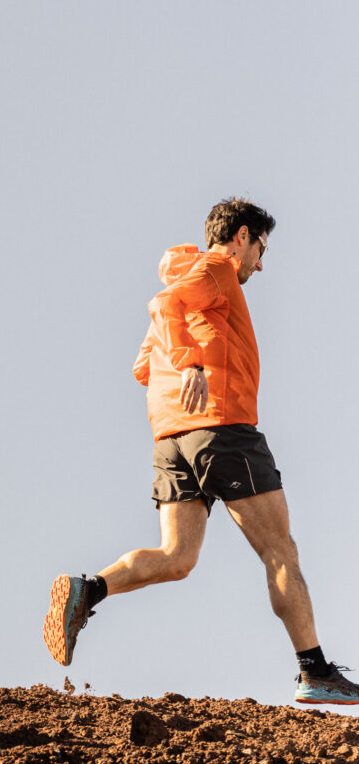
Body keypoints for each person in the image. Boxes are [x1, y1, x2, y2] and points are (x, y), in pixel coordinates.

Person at [45, 198, 359, 704]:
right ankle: (314, 671)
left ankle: (88, 591)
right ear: (241, 237)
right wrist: (195, 364)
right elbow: (163, 309)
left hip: (172, 438)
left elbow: (143, 367)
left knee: (177, 556)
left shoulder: (187, 280)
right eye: (261, 247)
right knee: (280, 549)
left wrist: (187, 360)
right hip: (223, 428)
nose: (262, 261)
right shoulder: (216, 270)